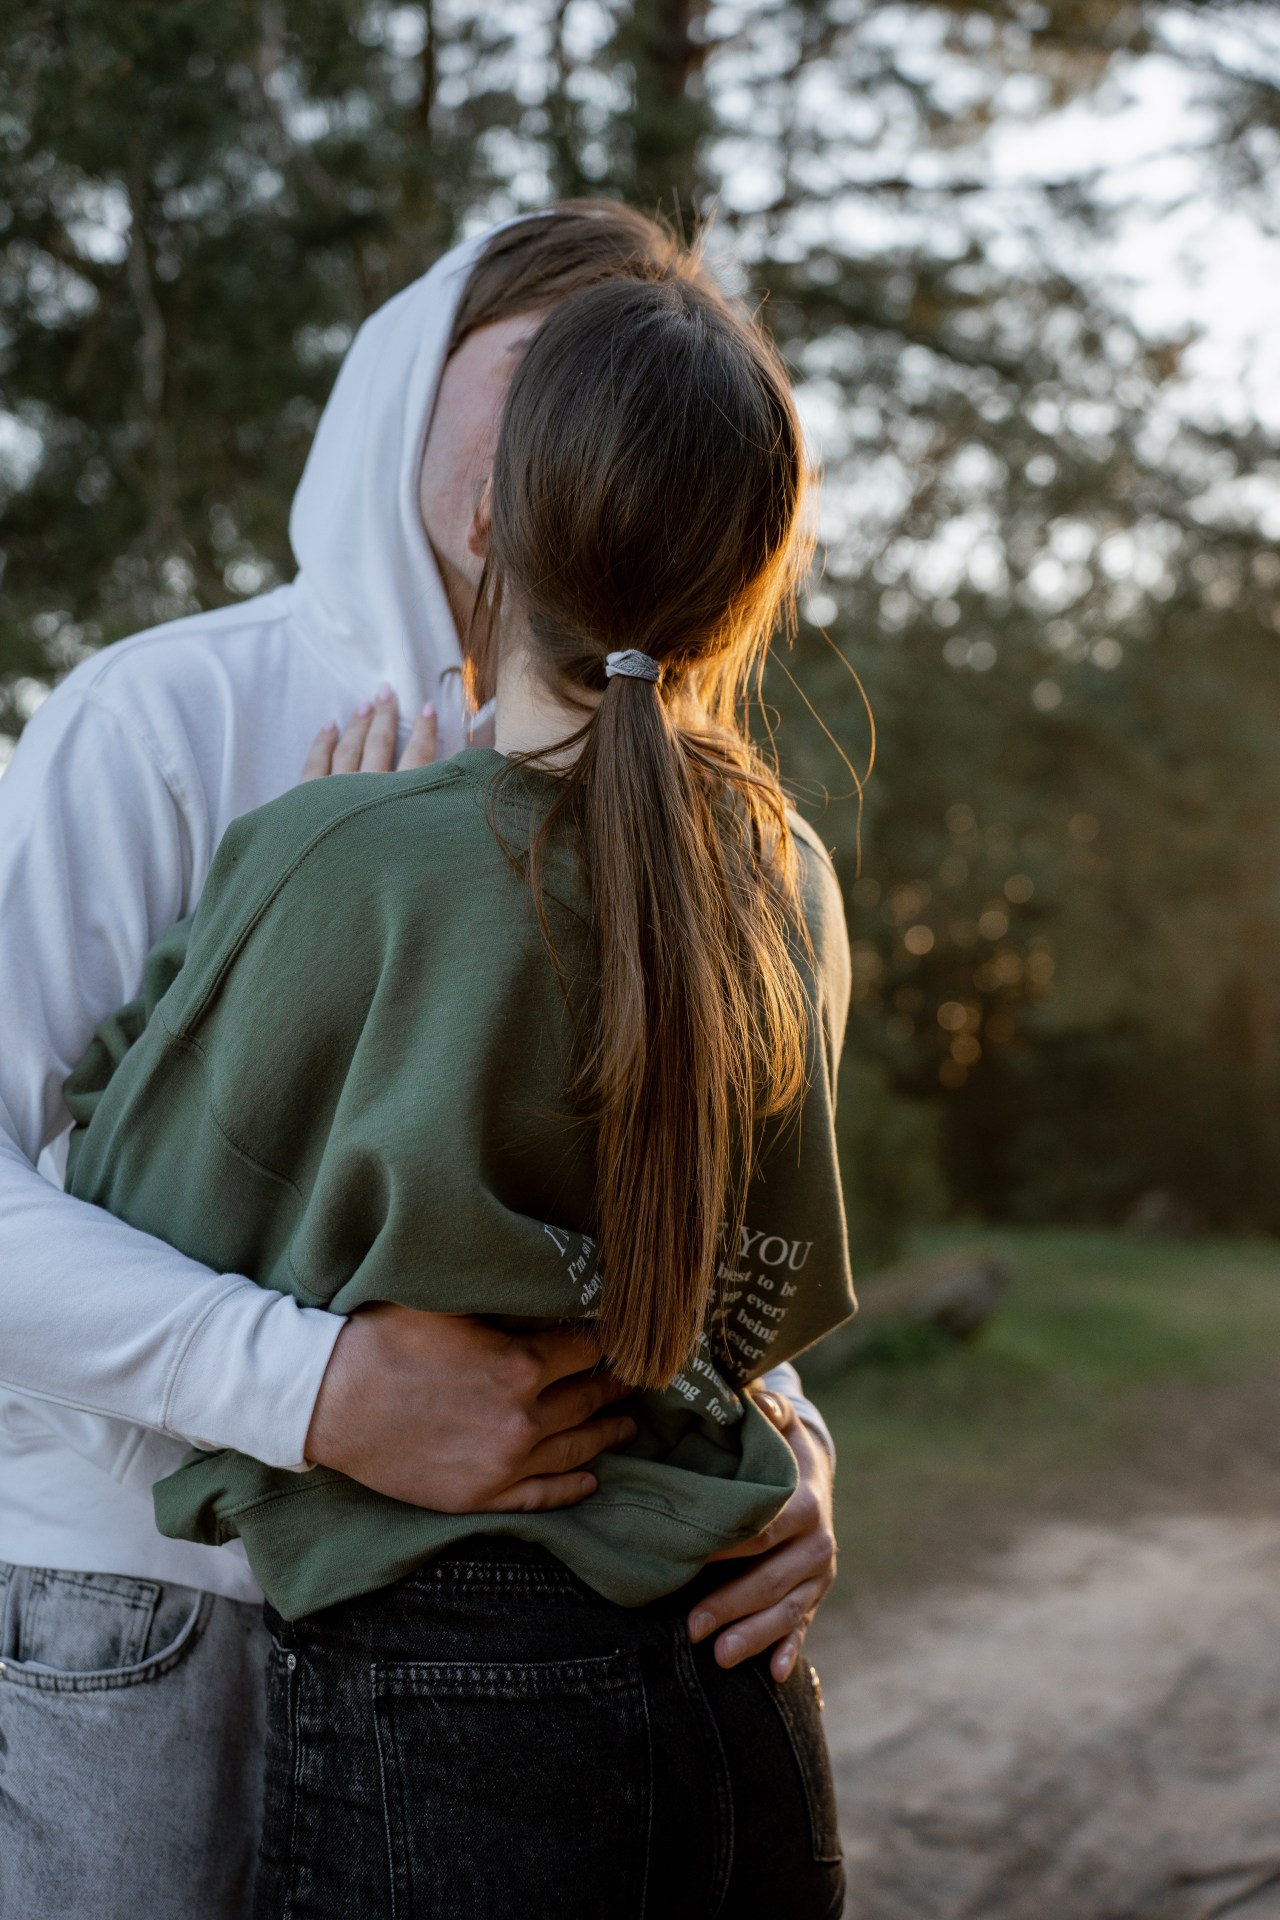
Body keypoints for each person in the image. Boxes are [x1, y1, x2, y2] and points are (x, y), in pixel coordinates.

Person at [0, 204, 841, 1920]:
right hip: (161, 1597)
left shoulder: (717, 834)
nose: (577, 429)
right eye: (542, 372)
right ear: (416, 388)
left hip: (532, 1626)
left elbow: (717, 1211)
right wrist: (311, 1387)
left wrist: (775, 1442)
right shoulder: (161, 716)